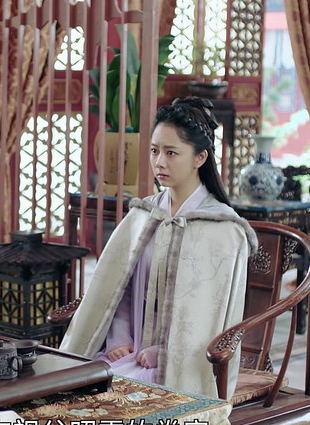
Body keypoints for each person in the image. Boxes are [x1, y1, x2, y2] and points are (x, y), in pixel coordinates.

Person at [59, 97, 257, 399]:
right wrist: (118, 339)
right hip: (127, 353)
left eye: (171, 152)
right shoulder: (143, 216)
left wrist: (166, 353)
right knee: (69, 392)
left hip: (182, 370)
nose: (159, 162)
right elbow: (119, 289)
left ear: (200, 158)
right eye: (154, 151)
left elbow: (212, 316)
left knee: (101, 402)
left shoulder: (222, 230)